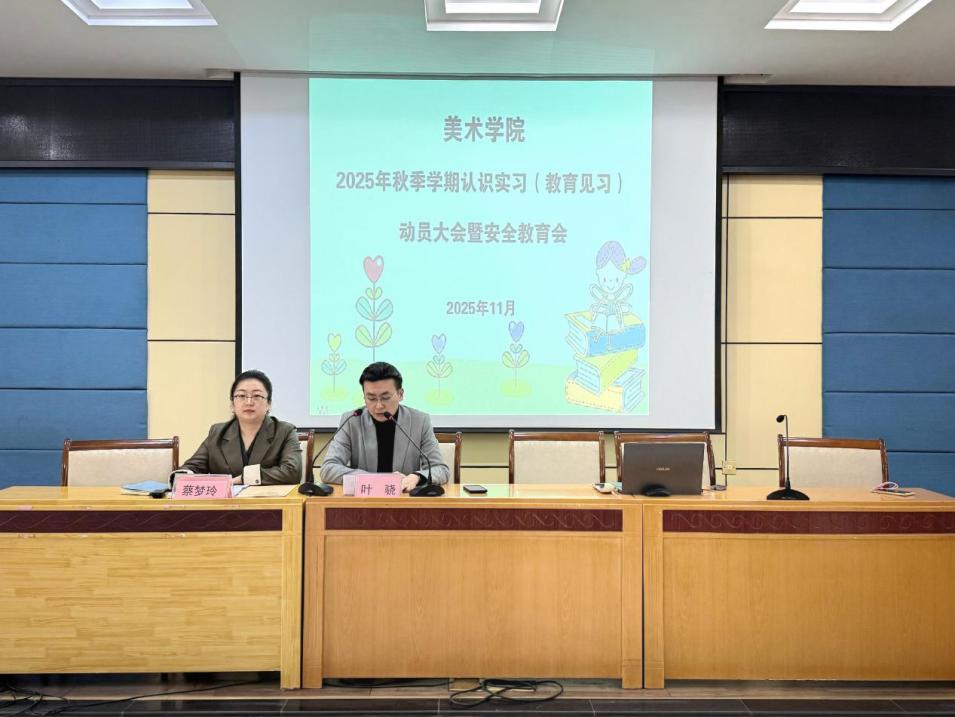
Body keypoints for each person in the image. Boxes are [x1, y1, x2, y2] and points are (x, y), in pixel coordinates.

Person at [320, 361, 449, 492]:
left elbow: (440, 469)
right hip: (365, 500)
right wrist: (377, 479)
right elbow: (328, 469)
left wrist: (417, 477)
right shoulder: (352, 420)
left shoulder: (420, 421)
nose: (379, 406)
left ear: (400, 394)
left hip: (404, 499)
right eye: (371, 398)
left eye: (385, 397)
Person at [178, 369, 302, 485]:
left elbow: (292, 472)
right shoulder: (218, 432)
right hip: (227, 501)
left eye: (257, 396)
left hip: (268, 500)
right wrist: (180, 477)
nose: (249, 402)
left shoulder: (284, 431)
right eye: (241, 396)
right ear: (232, 404)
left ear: (269, 404)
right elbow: (194, 467)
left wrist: (244, 478)